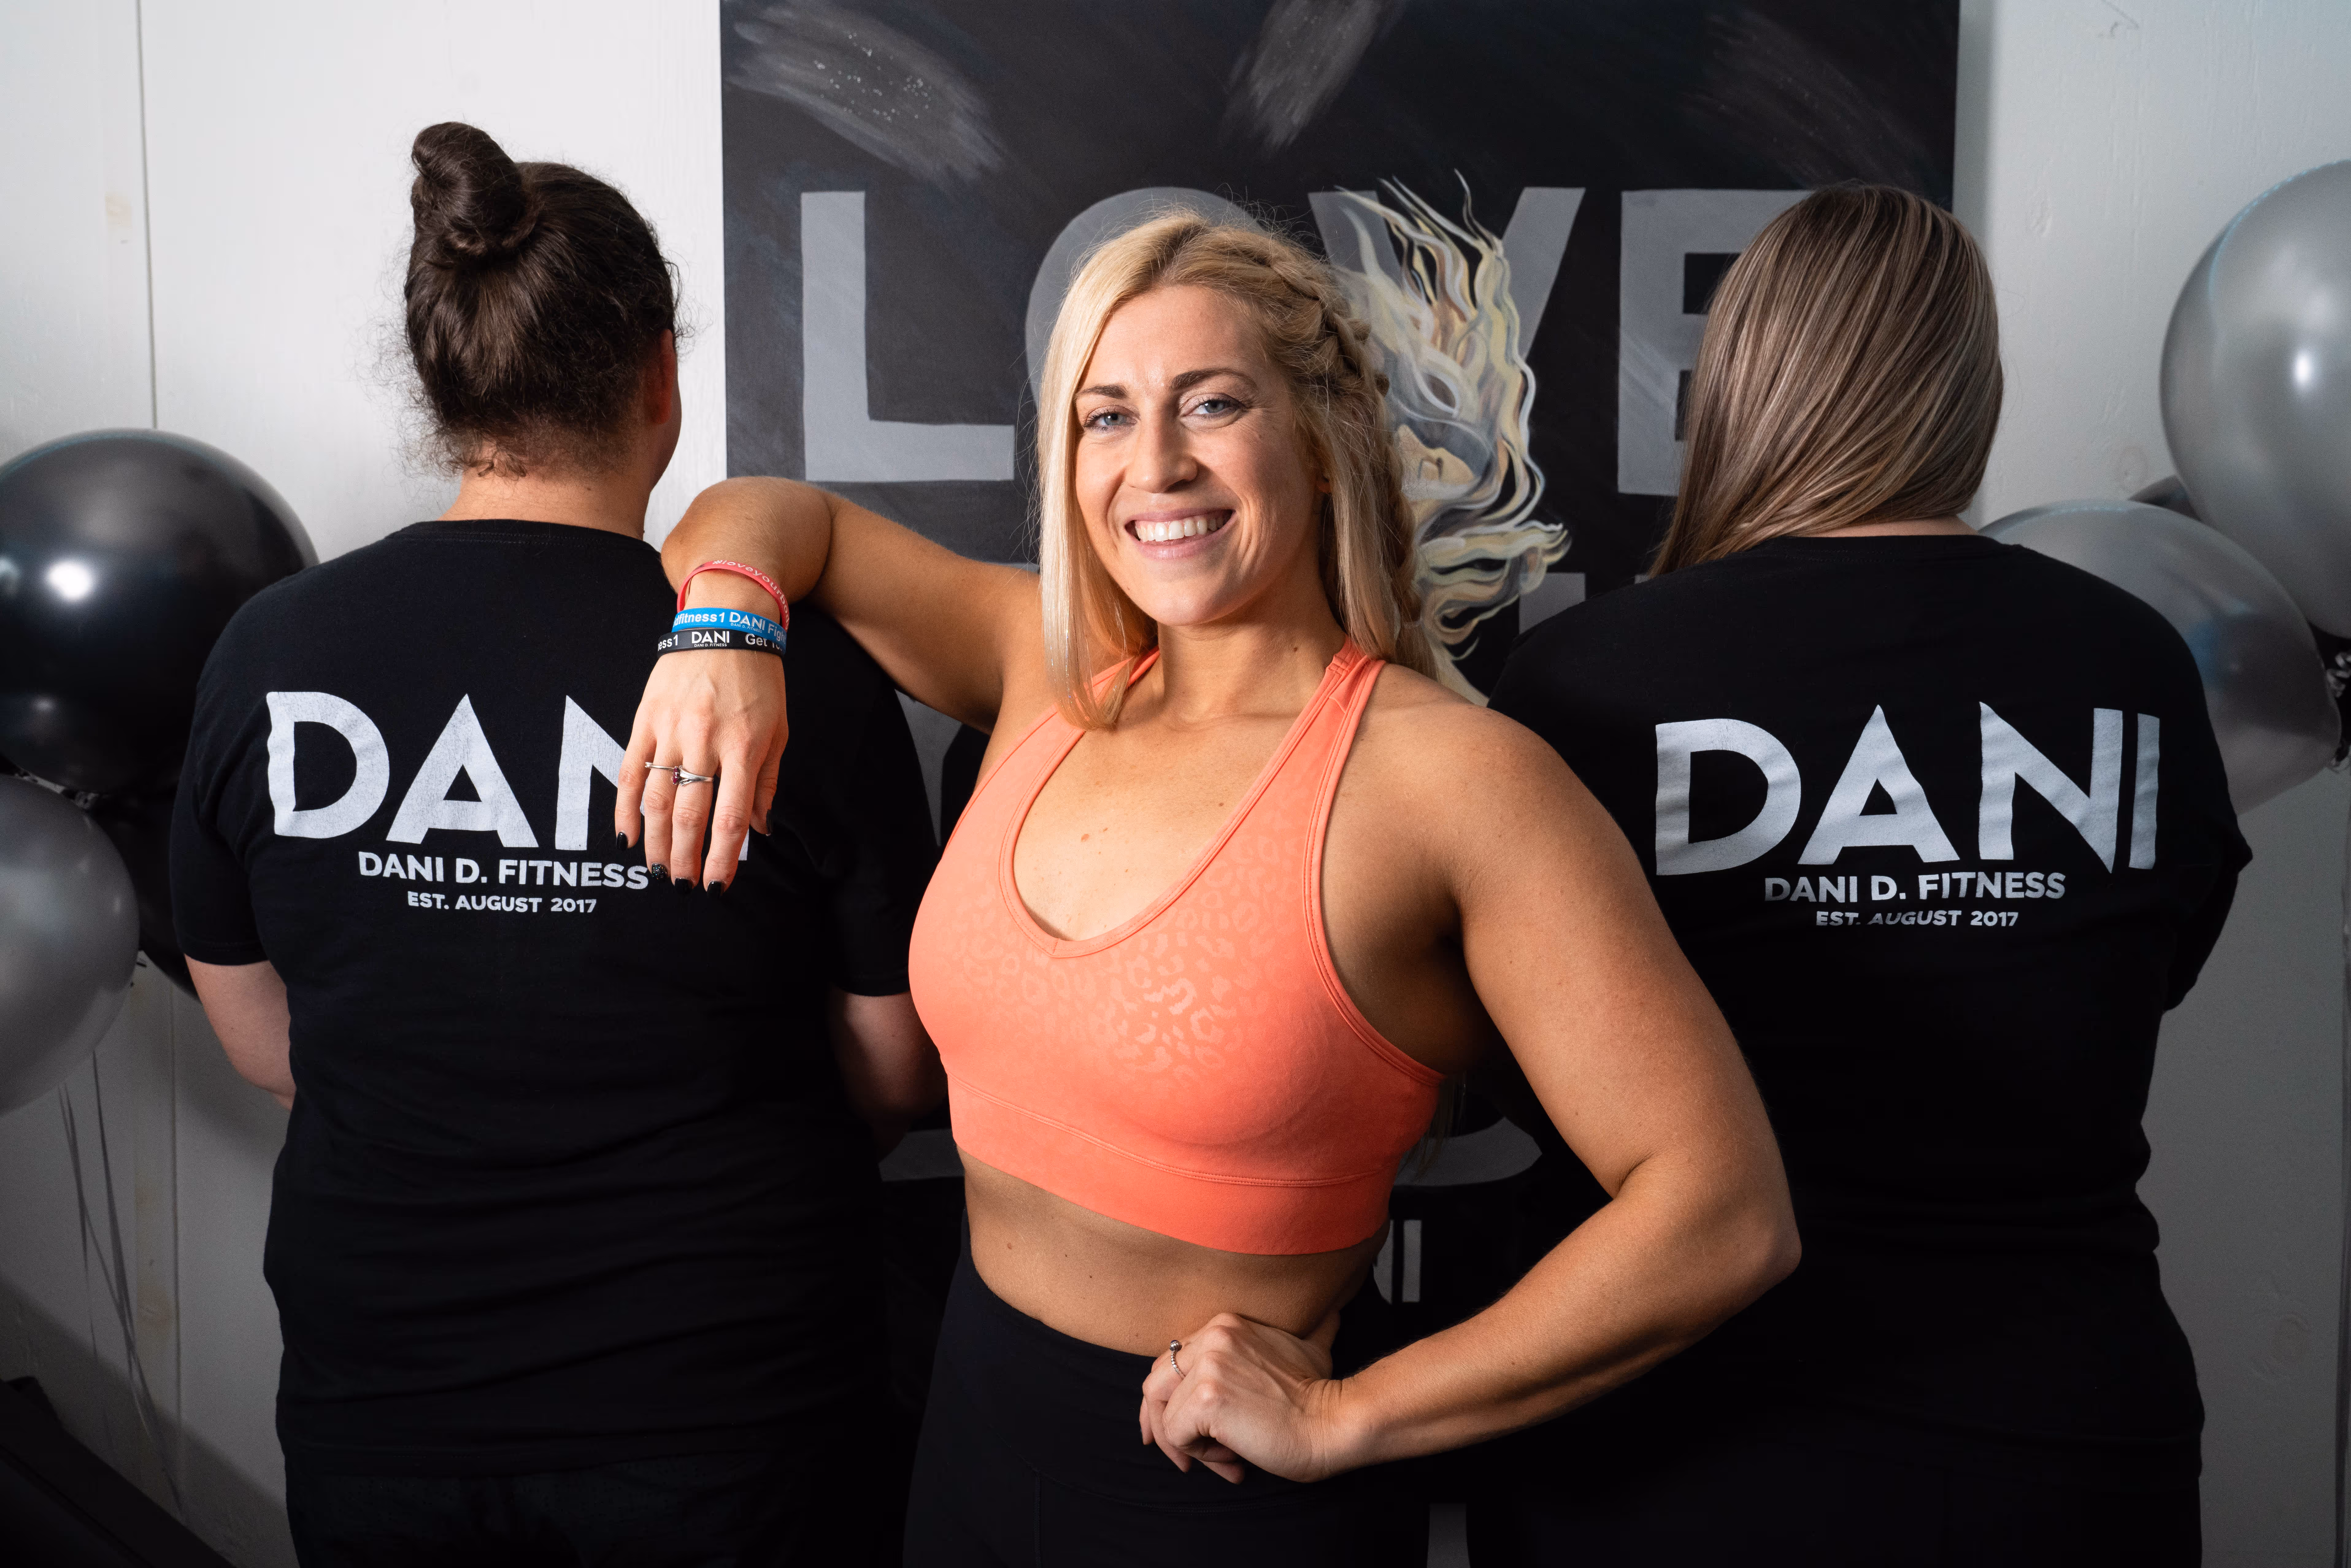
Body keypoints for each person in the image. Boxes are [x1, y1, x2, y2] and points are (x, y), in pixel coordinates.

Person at [615, 212, 1801, 1566]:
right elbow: (776, 513)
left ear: (1322, 429)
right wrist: (723, 627)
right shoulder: (1042, 676)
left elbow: (1720, 1212)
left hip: (1218, 1503)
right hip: (963, 1444)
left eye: (1211, 404)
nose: (1154, 464)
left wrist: (1354, 1416)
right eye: (1103, 416)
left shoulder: (1453, 782)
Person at [170, 123, 941, 1567]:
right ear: (660, 376)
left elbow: (263, 1035)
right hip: (731, 1416)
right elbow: (895, 1068)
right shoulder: (795, 675)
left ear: (440, 381)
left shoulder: (271, 653)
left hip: (387, 1410)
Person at [1479, 184, 2249, 1566]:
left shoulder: (1592, 676)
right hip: (2054, 1451)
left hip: (1664, 1450)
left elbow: (1498, 1053)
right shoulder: (2127, 664)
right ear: (1967, 390)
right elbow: (2146, 967)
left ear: (1742, 385)